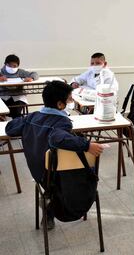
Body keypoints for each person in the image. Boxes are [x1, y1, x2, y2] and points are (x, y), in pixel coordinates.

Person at [6, 80, 104, 229]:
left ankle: (49, 200)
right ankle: (53, 203)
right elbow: (57, 138)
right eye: (70, 99)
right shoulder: (62, 122)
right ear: (60, 104)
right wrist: (87, 145)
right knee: (85, 167)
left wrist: (26, 120)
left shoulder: (32, 117)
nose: (71, 101)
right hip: (54, 175)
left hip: (37, 172)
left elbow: (10, 128)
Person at [0, 54, 39, 119]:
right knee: (3, 109)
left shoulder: (21, 72)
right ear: (5, 64)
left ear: (18, 66)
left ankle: (16, 121)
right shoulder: (1, 72)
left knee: (16, 111)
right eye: (9, 65)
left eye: (14, 66)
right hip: (4, 96)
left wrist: (31, 78)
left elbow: (35, 74)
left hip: (18, 96)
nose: (12, 68)